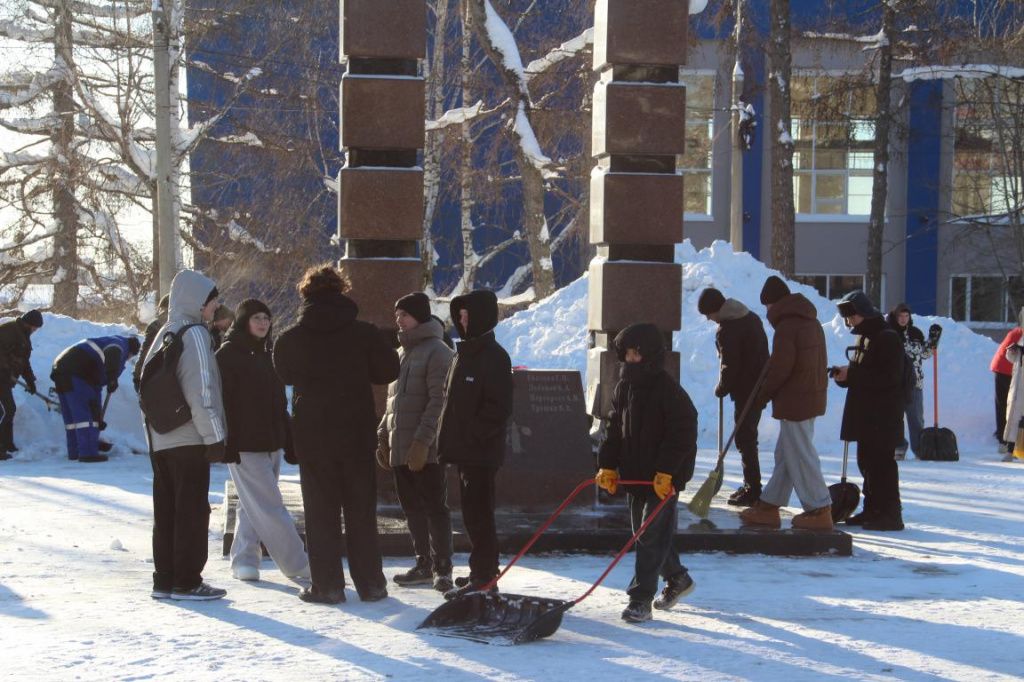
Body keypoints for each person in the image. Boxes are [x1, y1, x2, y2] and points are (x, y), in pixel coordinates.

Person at [273, 265, 399, 605]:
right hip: (356, 432)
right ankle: (371, 584)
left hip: (314, 435)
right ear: (342, 291)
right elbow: (389, 370)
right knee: (361, 509)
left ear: (305, 295)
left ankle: (327, 585)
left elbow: (283, 372)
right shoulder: (364, 333)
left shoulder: (291, 338)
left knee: (320, 512)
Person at [596, 323, 699, 623]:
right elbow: (614, 428)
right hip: (636, 475)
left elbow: (682, 434)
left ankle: (640, 599)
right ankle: (677, 577)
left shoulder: (669, 392)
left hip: (663, 480)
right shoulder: (624, 387)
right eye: (626, 353)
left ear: (651, 356)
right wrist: (607, 464)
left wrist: (667, 471)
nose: (630, 359)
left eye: (636, 354)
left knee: (648, 535)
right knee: (644, 533)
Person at [142, 269, 227, 601]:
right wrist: (215, 437)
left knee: (166, 512)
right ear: (198, 302)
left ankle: (164, 579)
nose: (215, 307)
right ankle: (187, 581)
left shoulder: (166, 331)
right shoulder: (194, 335)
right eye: (213, 301)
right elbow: (201, 391)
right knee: (192, 510)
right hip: (189, 439)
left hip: (161, 439)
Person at [216, 299, 309, 584]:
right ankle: (300, 565)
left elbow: (279, 403)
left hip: (271, 443)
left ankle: (244, 559)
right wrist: (227, 442)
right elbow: (223, 404)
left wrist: (288, 438)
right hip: (244, 445)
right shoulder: (228, 354)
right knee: (270, 507)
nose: (263, 323)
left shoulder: (268, 354)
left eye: (266, 318)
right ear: (244, 320)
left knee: (251, 504)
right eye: (257, 318)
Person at [436, 289, 513, 600]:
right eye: (460, 315)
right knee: (471, 515)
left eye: (467, 315)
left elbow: (499, 408)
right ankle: (480, 571)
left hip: (480, 452)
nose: (461, 320)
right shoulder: (463, 354)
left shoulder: (494, 357)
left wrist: (472, 436)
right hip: (465, 450)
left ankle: (484, 575)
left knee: (480, 516)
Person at [740, 276, 833, 531]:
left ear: (773, 303)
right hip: (810, 396)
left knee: (800, 453)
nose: (767, 312)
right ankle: (770, 505)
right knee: (786, 453)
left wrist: (762, 395)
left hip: (796, 400)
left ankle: (819, 508)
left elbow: (781, 368)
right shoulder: (810, 321)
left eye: (767, 306)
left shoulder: (788, 327)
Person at [377, 292, 455, 592]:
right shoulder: (401, 352)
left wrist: (423, 442)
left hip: (426, 450)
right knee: (411, 508)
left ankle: (442, 568)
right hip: (400, 447)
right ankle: (423, 563)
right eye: (397, 315)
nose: (398, 320)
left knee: (435, 507)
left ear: (420, 316)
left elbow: (440, 401)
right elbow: (391, 404)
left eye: (404, 315)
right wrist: (383, 436)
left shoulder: (438, 351)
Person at [833, 290, 907, 531]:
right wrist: (845, 376)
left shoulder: (886, 337)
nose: (849, 322)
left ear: (863, 313)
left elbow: (889, 377)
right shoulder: (867, 336)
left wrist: (851, 374)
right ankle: (873, 509)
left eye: (851, 316)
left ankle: (890, 514)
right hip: (869, 414)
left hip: (883, 415)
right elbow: (867, 372)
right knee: (867, 462)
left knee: (881, 464)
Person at [697, 287, 769, 506]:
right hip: (759, 385)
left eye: (708, 314)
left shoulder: (728, 329)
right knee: (747, 436)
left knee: (745, 438)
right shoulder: (750, 317)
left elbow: (731, 365)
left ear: (714, 309)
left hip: (746, 389)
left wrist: (722, 387)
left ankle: (753, 489)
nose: (709, 319)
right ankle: (751, 485)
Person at [51, 333, 140, 463]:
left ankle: (75, 451)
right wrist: (112, 378)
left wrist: (98, 418)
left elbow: (96, 389)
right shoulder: (119, 345)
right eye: (130, 357)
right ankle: (88, 453)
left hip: (61, 370)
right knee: (85, 415)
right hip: (78, 373)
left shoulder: (105, 342)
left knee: (72, 417)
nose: (127, 359)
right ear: (131, 351)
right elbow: (113, 353)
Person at [886, 303, 937, 460]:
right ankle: (898, 447)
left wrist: (933, 340)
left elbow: (925, 354)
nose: (903, 319)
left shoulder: (915, 333)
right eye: (900, 316)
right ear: (895, 316)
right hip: (894, 383)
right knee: (895, 418)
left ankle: (919, 448)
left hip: (915, 382)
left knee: (915, 417)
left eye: (906, 316)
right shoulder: (888, 333)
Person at [0, 310, 43, 459]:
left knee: (8, 410)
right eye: (34, 328)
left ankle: (7, 444)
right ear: (27, 323)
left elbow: (24, 361)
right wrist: (4, 368)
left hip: (5, 379)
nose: (34, 331)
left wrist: (30, 381)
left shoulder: (23, 336)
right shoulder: (8, 330)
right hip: (1, 376)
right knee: (7, 410)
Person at [991, 320, 1022, 455]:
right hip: (1007, 369)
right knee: (1009, 405)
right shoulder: (1020, 334)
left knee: (1005, 404)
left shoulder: (1018, 331)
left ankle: (1005, 439)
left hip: (1004, 367)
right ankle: (1005, 441)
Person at [1001, 308, 1024, 463]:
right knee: (1013, 417)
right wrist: (1012, 351)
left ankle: (1019, 449)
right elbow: (1013, 360)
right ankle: (1011, 449)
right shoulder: (1021, 336)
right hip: (1018, 384)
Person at [134, 295, 169, 392]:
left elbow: (145, 353)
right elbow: (146, 351)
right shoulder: (181, 324)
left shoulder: (155, 325)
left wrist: (137, 376)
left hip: (154, 377)